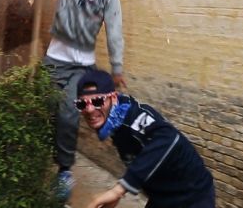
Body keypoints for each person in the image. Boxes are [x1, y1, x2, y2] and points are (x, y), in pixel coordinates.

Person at [45, 0, 126, 200]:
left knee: (67, 111)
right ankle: (42, 157)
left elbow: (115, 30)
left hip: (80, 69)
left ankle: (64, 171)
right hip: (53, 62)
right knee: (43, 110)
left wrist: (117, 66)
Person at [76, 70, 215, 208]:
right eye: (82, 104)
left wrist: (119, 190)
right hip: (161, 196)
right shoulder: (115, 122)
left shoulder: (134, 116)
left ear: (113, 98)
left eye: (97, 101)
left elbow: (169, 138)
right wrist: (118, 194)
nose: (89, 110)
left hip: (193, 196)